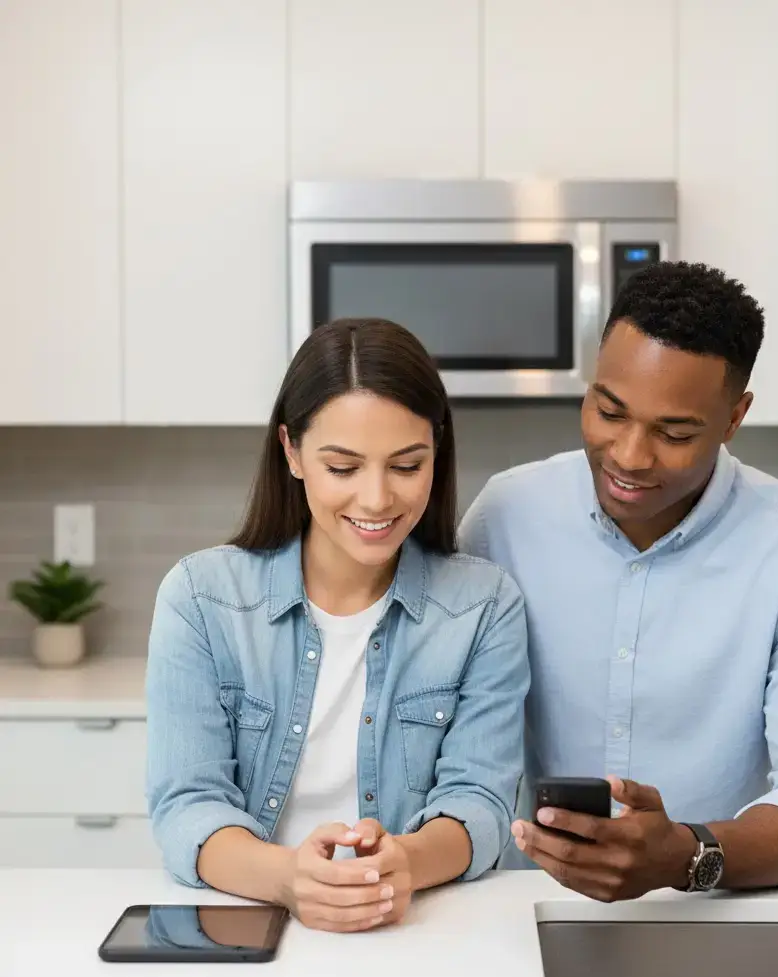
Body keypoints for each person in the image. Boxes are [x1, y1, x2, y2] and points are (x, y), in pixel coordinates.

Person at [459, 261, 778, 901]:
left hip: (720, 914)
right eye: (610, 411)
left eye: (675, 432)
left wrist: (689, 854)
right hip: (523, 908)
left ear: (734, 418)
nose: (630, 456)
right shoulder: (505, 517)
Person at [145, 317, 529, 933]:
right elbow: (187, 806)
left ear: (437, 452)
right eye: (343, 468)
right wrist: (289, 879)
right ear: (292, 452)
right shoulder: (201, 598)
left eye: (406, 466)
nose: (376, 499)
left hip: (419, 928)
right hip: (250, 922)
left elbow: (479, 801)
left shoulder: (484, 605)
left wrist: (406, 862)